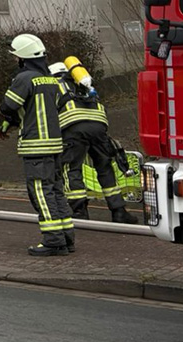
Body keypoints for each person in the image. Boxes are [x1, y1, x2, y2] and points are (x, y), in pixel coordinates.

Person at [0, 33, 74, 257]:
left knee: (41, 192)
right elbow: (55, 106)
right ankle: (67, 239)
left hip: (35, 146)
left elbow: (8, 106)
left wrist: (2, 114)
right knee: (56, 191)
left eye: (16, 57)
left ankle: (53, 240)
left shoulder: (24, 79)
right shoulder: (52, 80)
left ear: (23, 57)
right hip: (55, 145)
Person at [53, 58, 133, 224]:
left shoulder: (54, 86)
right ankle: (119, 211)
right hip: (98, 126)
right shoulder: (82, 83)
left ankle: (79, 211)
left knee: (71, 168)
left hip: (74, 127)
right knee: (105, 167)